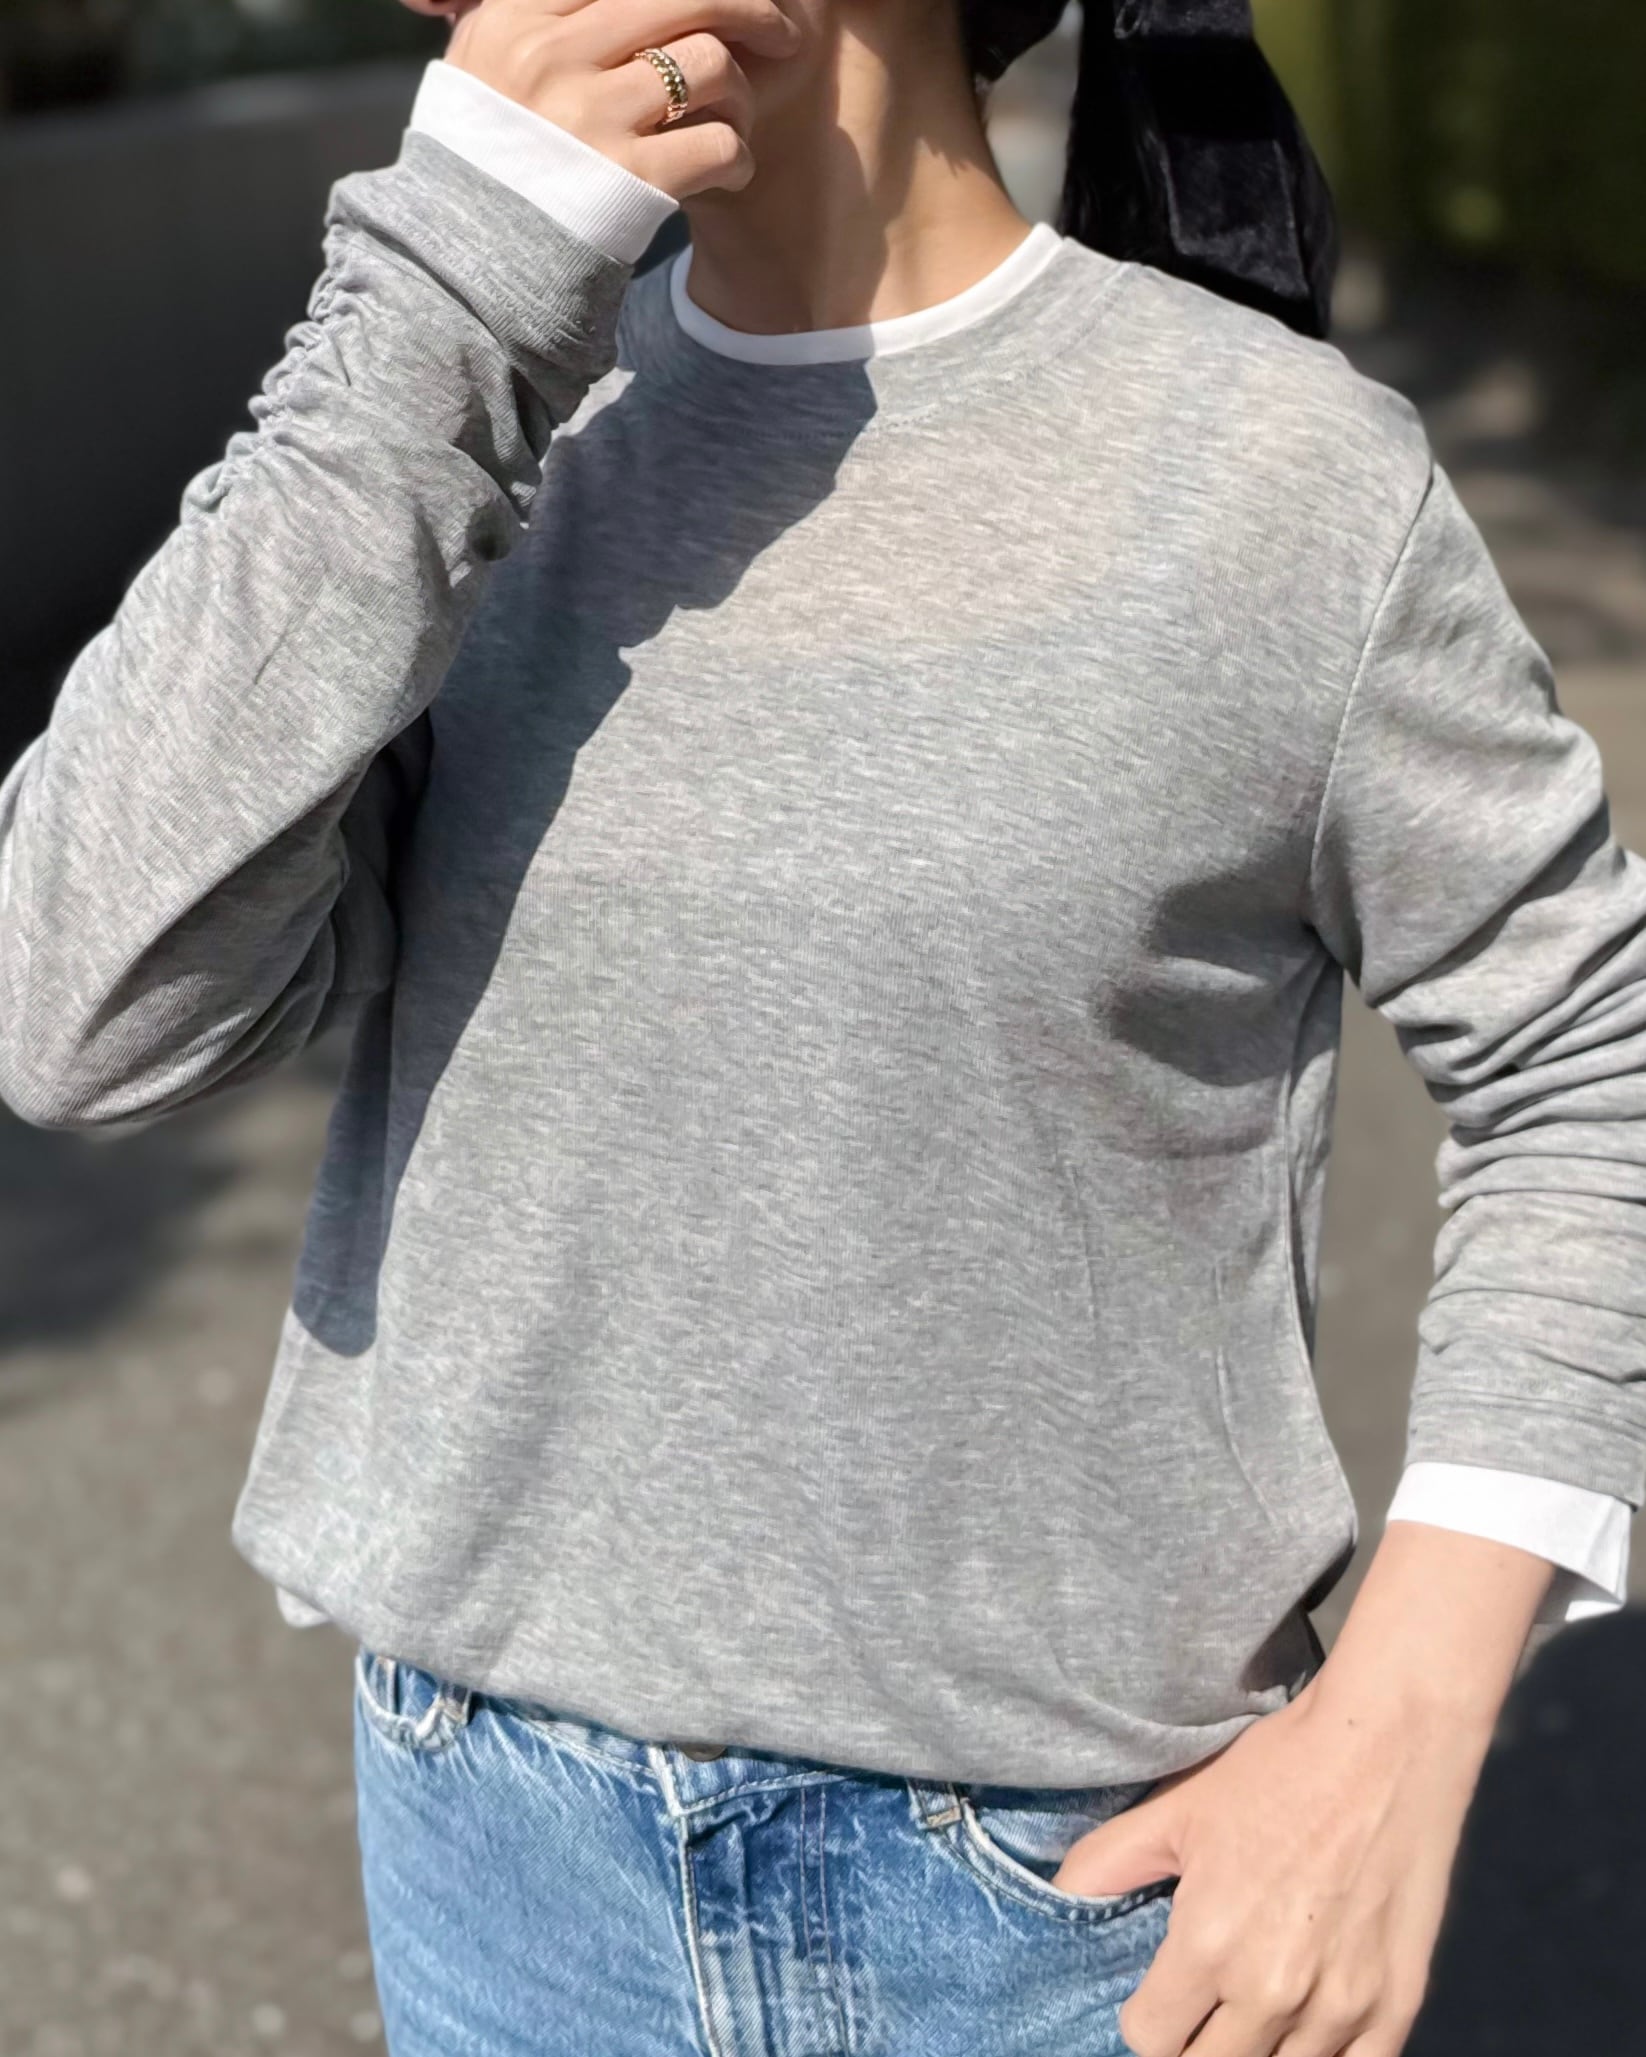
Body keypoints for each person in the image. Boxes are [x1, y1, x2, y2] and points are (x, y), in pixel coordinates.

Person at [2, 0, 1641, 2050]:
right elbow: (85, 1013)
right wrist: (439, 296)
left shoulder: (1277, 478)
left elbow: (1591, 1064)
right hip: (501, 1872)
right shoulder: (456, 424)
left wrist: (1406, 1716)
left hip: (1076, 1908)